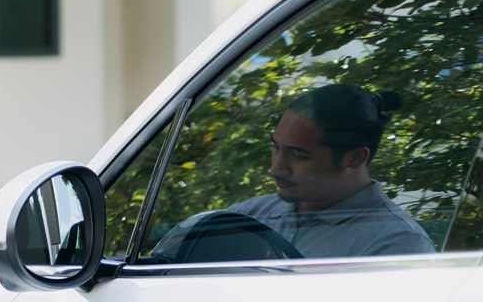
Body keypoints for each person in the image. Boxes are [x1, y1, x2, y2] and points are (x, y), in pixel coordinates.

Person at [156, 84, 434, 261]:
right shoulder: (254, 214)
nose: (276, 167)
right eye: (276, 148)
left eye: (299, 155)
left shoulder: (397, 244)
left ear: (355, 157)